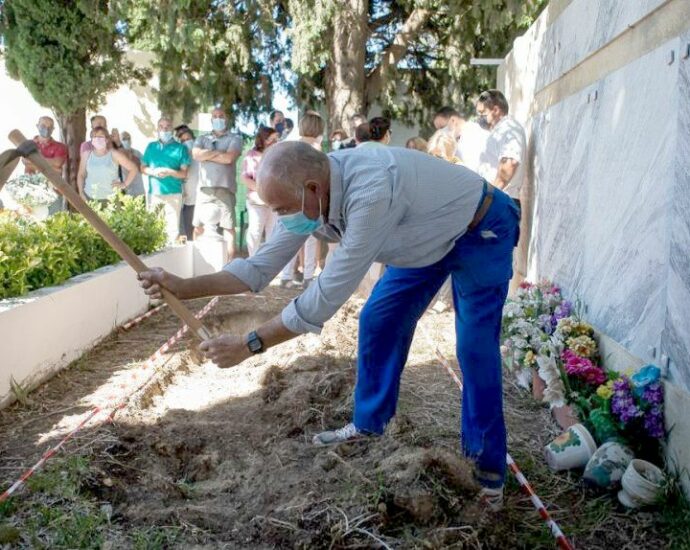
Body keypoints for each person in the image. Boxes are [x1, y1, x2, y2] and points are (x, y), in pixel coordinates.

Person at [139, 142, 520, 511]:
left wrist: (249, 344)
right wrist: (184, 287)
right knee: (378, 320)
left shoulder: (371, 190)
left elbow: (322, 299)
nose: (282, 217)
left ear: (312, 189)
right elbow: (258, 269)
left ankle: (487, 471)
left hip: (479, 227)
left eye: (283, 208)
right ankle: (369, 426)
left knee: (474, 347)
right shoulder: (306, 199)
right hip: (421, 240)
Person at [278, 111, 323, 289]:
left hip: (291, 198)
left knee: (290, 238)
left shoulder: (290, 146)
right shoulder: (317, 150)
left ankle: (286, 275)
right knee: (311, 239)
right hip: (310, 200)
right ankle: (308, 276)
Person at [191, 107, 243, 258]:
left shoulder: (235, 138)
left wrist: (206, 155)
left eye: (221, 115)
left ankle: (229, 266)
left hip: (225, 189)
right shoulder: (202, 138)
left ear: (226, 119)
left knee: (228, 228)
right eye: (215, 116)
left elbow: (229, 159)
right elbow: (196, 155)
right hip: (204, 189)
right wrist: (218, 153)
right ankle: (197, 259)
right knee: (198, 226)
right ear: (211, 119)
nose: (218, 118)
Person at [141, 117, 190, 243]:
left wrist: (169, 172)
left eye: (167, 127)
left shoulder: (181, 148)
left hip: (173, 194)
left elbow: (184, 173)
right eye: (161, 127)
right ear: (157, 129)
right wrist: (153, 172)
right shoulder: (151, 147)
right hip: (154, 194)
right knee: (152, 228)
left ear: (172, 129)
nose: (164, 129)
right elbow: (142, 167)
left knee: (172, 231)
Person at [475, 90, 527, 210]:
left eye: (483, 113)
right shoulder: (500, 130)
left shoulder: (510, 129)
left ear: (496, 110)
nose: (480, 118)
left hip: (501, 201)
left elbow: (509, 165)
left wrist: (488, 199)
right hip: (496, 200)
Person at [240, 126, 280, 255]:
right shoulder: (251, 155)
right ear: (263, 139)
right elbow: (245, 177)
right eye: (271, 139)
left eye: (276, 139)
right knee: (255, 232)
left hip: (274, 202)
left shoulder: (279, 155)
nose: (275, 141)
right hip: (256, 201)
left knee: (273, 233)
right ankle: (253, 260)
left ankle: (269, 264)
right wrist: (261, 190)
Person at [77, 126, 138, 204]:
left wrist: (124, 184)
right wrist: (81, 192)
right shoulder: (86, 154)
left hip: (111, 200)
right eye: (94, 136)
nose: (97, 139)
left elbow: (133, 168)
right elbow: (81, 174)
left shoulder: (114, 154)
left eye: (100, 137)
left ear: (106, 139)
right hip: (89, 198)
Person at [433, 106, 488, 173]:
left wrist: (449, 157)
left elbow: (471, 173)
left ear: (453, 120)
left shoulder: (472, 135)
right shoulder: (460, 139)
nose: (441, 133)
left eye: (442, 127)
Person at [174, 126, 198, 241]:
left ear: (194, 139)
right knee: (189, 235)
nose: (186, 142)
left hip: (200, 201)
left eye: (188, 139)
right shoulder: (180, 158)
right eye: (182, 141)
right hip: (187, 203)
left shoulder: (200, 157)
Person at [119, 131, 146, 199]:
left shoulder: (137, 153)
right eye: (124, 139)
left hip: (139, 191)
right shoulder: (117, 154)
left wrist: (132, 157)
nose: (127, 141)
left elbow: (144, 168)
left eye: (128, 138)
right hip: (125, 192)